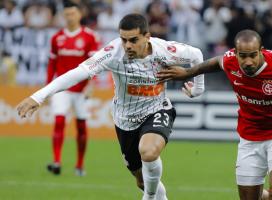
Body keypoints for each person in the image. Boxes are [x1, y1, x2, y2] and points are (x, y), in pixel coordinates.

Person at [17, 13, 204, 200]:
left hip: (157, 109)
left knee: (148, 152)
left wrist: (197, 89)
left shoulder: (165, 50)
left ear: (147, 37)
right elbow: (78, 73)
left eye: (133, 40)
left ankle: (148, 197)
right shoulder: (113, 53)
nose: (127, 45)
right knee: (141, 180)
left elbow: (196, 55)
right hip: (125, 120)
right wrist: (38, 97)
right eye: (124, 40)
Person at [157, 29, 272, 200]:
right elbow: (216, 62)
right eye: (242, 56)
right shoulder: (230, 61)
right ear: (235, 53)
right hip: (250, 138)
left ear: (261, 51)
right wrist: (187, 73)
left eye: (253, 55)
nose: (248, 62)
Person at [44, 1, 100, 177]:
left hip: (81, 89)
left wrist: (91, 84)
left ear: (79, 15)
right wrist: (47, 88)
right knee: (59, 122)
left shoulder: (90, 37)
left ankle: (79, 165)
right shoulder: (57, 38)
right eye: (66, 14)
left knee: (81, 127)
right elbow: (52, 64)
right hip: (62, 89)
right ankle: (57, 161)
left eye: (72, 14)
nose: (69, 17)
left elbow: (95, 65)